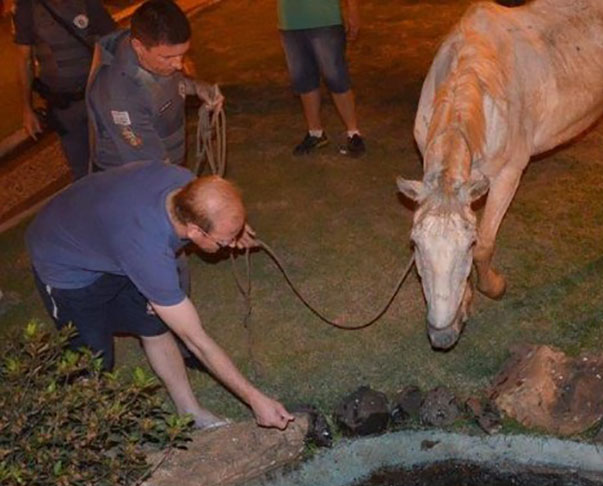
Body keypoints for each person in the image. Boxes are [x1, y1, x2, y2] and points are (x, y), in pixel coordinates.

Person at [25, 160, 294, 430]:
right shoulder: (147, 251)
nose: (229, 246)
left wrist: (232, 228)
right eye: (224, 241)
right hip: (64, 261)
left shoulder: (187, 188)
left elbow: (213, 210)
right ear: (195, 231)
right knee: (91, 360)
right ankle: (82, 439)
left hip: (110, 235)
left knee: (154, 325)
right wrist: (255, 399)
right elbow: (197, 341)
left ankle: (190, 412)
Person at [86, 0, 222, 171]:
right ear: (139, 47)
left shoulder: (152, 48)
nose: (179, 65)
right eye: (168, 57)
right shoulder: (121, 97)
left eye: (182, 54)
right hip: (135, 179)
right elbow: (152, 169)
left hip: (165, 160)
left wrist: (196, 87)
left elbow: (169, 82)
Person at [13, 0, 115, 179]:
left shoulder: (87, 3)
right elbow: (24, 61)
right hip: (63, 106)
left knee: (111, 161)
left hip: (98, 96)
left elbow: (113, 40)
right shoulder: (27, 8)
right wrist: (27, 109)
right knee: (81, 169)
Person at [277, 0, 365, 157]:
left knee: (336, 76)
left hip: (325, 19)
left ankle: (353, 132)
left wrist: (353, 10)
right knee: (303, 79)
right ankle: (315, 132)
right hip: (290, 21)